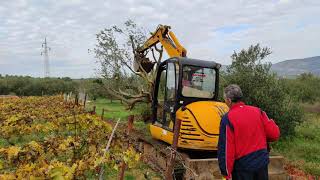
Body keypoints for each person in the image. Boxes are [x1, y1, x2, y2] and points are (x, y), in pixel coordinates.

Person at [218, 84, 280, 180]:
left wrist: (225, 173)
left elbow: (226, 149)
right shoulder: (258, 111)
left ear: (229, 101)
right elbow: (274, 134)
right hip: (261, 163)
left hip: (243, 167)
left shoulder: (228, 118)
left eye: (225, 99)